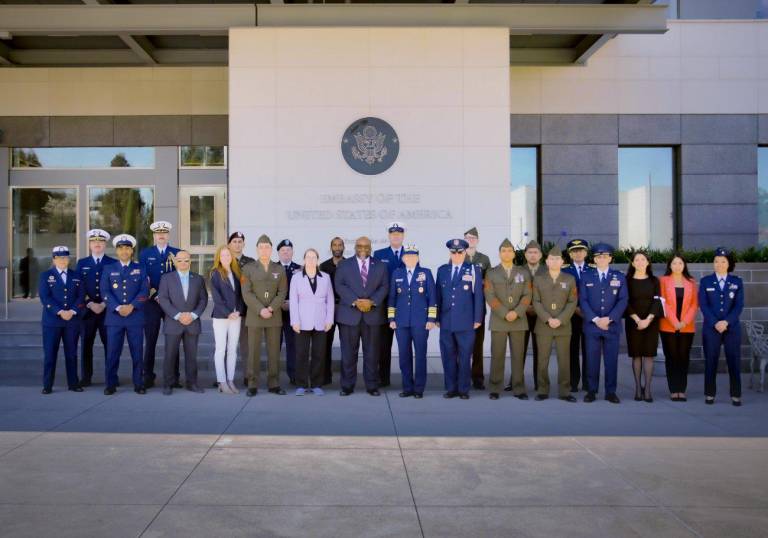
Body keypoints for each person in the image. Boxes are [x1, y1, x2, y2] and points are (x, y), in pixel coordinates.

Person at [334, 236, 389, 396]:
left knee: (372, 354)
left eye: (366, 246)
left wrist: (372, 302)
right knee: (348, 354)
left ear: (370, 248)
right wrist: (355, 301)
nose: (363, 248)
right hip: (349, 315)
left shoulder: (380, 266)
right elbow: (339, 285)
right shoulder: (344, 265)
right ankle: (347, 386)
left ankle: (372, 386)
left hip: (372, 315)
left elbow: (384, 286)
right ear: (355, 247)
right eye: (359, 246)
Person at [100, 234, 149, 395]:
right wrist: (117, 307)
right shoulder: (108, 269)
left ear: (132, 250)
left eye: (127, 248)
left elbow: (144, 291)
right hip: (115, 318)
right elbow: (105, 291)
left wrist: (132, 306)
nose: (124, 251)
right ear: (117, 251)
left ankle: (139, 383)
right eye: (121, 248)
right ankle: (110, 384)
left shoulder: (140, 268)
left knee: (137, 353)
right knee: (113, 352)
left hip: (135, 317)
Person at [579, 242, 628, 404]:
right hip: (592, 325)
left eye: (605, 256)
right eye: (599, 256)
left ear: (610, 258)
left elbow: (623, 300)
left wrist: (610, 318)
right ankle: (591, 391)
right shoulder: (586, 277)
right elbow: (583, 301)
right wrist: (596, 319)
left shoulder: (619, 276)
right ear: (594, 259)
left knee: (611, 361)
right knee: (592, 360)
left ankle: (610, 392)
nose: (602, 259)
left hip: (611, 325)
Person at [435, 239, 484, 400]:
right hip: (446, 321)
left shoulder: (474, 270)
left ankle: (463, 389)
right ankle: (451, 388)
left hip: (466, 321)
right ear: (450, 253)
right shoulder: (442, 270)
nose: (456, 255)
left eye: (460, 252)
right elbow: (437, 296)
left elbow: (478, 296)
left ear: (465, 253)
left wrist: (478, 318)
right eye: (453, 252)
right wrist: (435, 317)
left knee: (464, 356)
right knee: (448, 356)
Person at [240, 234, 288, 397]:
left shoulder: (279, 269)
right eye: (261, 247)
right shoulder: (248, 268)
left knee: (274, 351)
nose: (264, 250)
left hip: (274, 316)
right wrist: (261, 309)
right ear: (257, 249)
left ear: (271, 249)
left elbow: (282, 292)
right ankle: (252, 384)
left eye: (267, 247)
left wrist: (272, 308)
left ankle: (273, 383)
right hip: (254, 315)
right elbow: (246, 293)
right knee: (253, 351)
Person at [387, 244, 437, 399]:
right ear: (403, 258)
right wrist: (391, 318)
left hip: (421, 322)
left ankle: (419, 389)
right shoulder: (397, 273)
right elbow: (392, 298)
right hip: (401, 322)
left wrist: (431, 319)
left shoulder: (426, 273)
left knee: (420, 355)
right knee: (404, 356)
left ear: (418, 258)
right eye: (407, 256)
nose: (410, 258)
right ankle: (407, 387)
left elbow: (432, 298)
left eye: (414, 256)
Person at [484, 238, 531, 400]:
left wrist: (516, 312)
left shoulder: (523, 272)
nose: (507, 253)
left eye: (509, 250)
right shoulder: (491, 273)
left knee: (518, 356)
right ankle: (495, 388)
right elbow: (489, 295)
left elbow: (527, 295)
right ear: (499, 253)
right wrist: (505, 313)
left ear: (513, 253)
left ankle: (519, 388)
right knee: (497, 355)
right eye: (503, 250)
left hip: (519, 320)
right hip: (499, 320)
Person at [157, 250, 208, 395]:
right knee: (170, 355)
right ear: (175, 262)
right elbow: (163, 299)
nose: (183, 263)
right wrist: (178, 315)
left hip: (192, 322)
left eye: (186, 260)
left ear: (190, 261)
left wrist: (193, 315)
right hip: (173, 322)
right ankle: (168, 383)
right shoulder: (166, 278)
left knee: (191, 356)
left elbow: (203, 300)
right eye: (180, 260)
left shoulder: (198, 279)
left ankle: (192, 383)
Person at [699, 247, 744, 406]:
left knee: (734, 361)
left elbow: (738, 306)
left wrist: (726, 322)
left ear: (729, 263)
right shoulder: (706, 281)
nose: (719, 264)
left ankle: (736, 394)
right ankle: (710, 393)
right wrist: (715, 322)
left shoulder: (737, 281)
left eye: (723, 261)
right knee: (711, 360)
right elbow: (703, 305)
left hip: (732, 328)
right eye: (716, 261)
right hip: (711, 328)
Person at [533, 246, 578, 402]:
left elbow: (572, 302)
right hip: (543, 325)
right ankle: (543, 389)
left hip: (563, 325)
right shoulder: (538, 279)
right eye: (551, 258)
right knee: (542, 359)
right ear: (546, 261)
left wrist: (560, 319)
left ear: (562, 261)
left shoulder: (569, 279)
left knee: (564, 359)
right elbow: (536, 301)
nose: (554, 261)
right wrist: (548, 318)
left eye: (557, 259)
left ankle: (565, 391)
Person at [139, 220, 180, 389]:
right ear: (154, 236)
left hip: (171, 304)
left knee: (173, 340)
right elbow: (143, 278)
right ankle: (148, 376)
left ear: (168, 235)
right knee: (151, 340)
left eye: (164, 233)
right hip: (152, 303)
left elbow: (179, 277)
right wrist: (155, 295)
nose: (161, 236)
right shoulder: (145, 253)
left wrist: (165, 297)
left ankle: (174, 377)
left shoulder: (177, 253)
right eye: (158, 233)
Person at [38, 246, 85, 394]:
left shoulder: (76, 275)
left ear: (69, 259)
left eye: (65, 257)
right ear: (54, 259)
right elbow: (45, 298)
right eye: (59, 257)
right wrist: (59, 311)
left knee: (71, 354)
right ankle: (47, 385)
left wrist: (72, 311)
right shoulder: (45, 276)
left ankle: (73, 383)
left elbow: (80, 296)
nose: (63, 260)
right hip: (52, 321)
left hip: (72, 320)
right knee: (50, 354)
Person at [289, 248, 335, 396]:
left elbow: (330, 300)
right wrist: (294, 321)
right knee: (301, 354)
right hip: (301, 322)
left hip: (321, 321)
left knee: (319, 354)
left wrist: (329, 319)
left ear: (318, 260)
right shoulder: (296, 277)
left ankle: (316, 384)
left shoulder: (325, 277)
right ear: (304, 260)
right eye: (308, 257)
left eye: (314, 257)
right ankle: (301, 384)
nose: (311, 260)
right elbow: (293, 301)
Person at [76, 229, 115, 386]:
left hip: (107, 310)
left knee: (110, 345)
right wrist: (90, 304)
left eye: (100, 241)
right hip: (88, 311)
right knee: (86, 345)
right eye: (94, 241)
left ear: (105, 244)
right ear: (90, 244)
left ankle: (111, 377)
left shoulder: (112, 263)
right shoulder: (82, 263)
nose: (97, 244)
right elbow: (78, 287)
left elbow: (115, 288)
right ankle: (86, 377)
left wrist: (104, 303)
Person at [507, 240, 546, 392]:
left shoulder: (547, 270)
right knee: (518, 350)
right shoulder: (516, 270)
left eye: (536, 252)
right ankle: (515, 382)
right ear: (525, 254)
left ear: (541, 255)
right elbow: (511, 292)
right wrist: (522, 308)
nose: (533, 255)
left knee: (540, 351)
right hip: (520, 315)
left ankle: (539, 383)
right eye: (530, 252)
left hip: (541, 316)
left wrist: (537, 308)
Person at [659, 254, 698, 402]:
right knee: (671, 357)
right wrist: (675, 321)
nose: (677, 266)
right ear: (670, 265)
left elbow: (694, 304)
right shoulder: (663, 281)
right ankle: (673, 389)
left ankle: (682, 389)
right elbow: (663, 302)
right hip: (668, 325)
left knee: (683, 357)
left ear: (684, 265)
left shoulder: (691, 282)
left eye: (680, 263)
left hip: (687, 327)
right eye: (674, 263)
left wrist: (684, 322)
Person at [625, 251, 663, 403]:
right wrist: (636, 319)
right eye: (637, 260)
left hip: (651, 322)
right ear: (633, 263)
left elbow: (657, 301)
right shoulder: (627, 280)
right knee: (636, 355)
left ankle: (647, 389)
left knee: (648, 355)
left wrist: (647, 319)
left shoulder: (654, 281)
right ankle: (637, 388)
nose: (640, 262)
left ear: (648, 263)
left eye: (643, 259)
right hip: (633, 320)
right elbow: (624, 301)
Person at [373, 222, 406, 387]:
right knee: (383, 346)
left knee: (405, 345)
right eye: (393, 234)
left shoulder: (411, 253)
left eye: (399, 234)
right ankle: (383, 378)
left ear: (403, 236)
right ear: (389, 236)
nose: (396, 236)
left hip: (404, 307)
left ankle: (406, 380)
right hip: (384, 307)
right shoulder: (379, 254)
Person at [209, 245, 245, 395]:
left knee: (232, 350)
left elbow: (242, 295)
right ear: (219, 257)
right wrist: (228, 313)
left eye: (228, 255)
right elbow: (217, 298)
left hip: (236, 317)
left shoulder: (237, 273)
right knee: (220, 349)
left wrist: (239, 311)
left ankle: (230, 380)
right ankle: (222, 382)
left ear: (232, 257)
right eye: (223, 255)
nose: (226, 258)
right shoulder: (215, 274)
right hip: (221, 317)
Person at [225, 231, 255, 388]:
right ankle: (222, 377)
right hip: (226, 312)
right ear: (229, 244)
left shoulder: (250, 262)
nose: (237, 244)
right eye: (234, 241)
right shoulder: (223, 260)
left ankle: (247, 376)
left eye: (240, 241)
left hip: (245, 311)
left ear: (244, 244)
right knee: (224, 346)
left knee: (246, 347)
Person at [464, 227, 492, 390]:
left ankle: (478, 377)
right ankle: (463, 376)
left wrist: (477, 282)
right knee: (462, 344)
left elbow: (489, 283)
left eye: (473, 237)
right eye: (468, 237)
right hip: (462, 308)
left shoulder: (484, 259)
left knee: (477, 345)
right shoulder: (458, 255)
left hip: (478, 308)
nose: (471, 240)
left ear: (478, 240)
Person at [562, 239, 592, 392]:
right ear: (570, 254)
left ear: (586, 252)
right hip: (571, 316)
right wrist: (575, 309)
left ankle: (588, 382)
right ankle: (573, 382)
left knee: (589, 350)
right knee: (571, 350)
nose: (578, 253)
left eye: (581, 250)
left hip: (589, 316)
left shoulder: (593, 269)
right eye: (574, 251)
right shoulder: (564, 270)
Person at [319, 237, 346, 385]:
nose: (337, 247)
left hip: (344, 308)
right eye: (334, 245)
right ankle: (325, 377)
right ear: (331, 247)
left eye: (339, 245)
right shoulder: (323, 266)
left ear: (343, 247)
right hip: (327, 309)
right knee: (325, 343)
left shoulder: (349, 264)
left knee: (346, 344)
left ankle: (346, 378)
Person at [277, 239, 301, 385]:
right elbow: (267, 291)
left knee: (293, 346)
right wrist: (278, 303)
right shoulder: (272, 268)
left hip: (294, 313)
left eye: (288, 250)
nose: (286, 253)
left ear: (292, 252)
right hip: (276, 313)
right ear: (278, 253)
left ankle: (293, 375)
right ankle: (273, 377)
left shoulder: (299, 268)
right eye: (283, 251)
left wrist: (292, 303)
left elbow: (302, 292)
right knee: (275, 346)